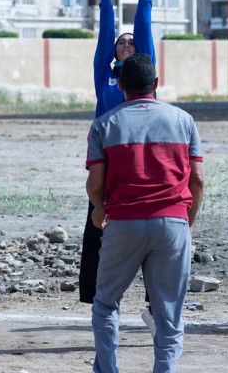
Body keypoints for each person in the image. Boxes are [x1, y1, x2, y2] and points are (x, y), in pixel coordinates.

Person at [86, 53, 204, 372]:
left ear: (121, 84)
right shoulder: (183, 120)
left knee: (106, 304)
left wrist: (99, 208)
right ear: (155, 83)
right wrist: (187, 222)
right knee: (168, 314)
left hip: (123, 222)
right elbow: (198, 180)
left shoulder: (105, 124)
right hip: (172, 223)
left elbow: (95, 183)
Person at [81, 0, 160, 335]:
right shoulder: (106, 74)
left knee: (147, 235)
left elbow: (143, 30)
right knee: (99, 232)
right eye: (121, 43)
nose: (126, 44)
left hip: (141, 164)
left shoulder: (144, 74)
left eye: (132, 43)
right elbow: (105, 34)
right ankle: (100, 301)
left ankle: (152, 306)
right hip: (108, 162)